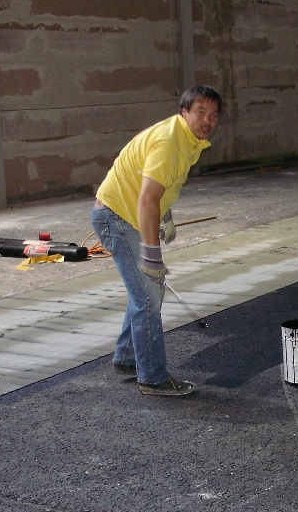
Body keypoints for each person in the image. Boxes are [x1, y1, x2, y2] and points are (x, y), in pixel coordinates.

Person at [91, 86, 222, 396]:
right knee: (148, 296)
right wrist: (152, 255)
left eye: (213, 115)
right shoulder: (170, 143)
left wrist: (166, 216)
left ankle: (127, 357)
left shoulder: (186, 139)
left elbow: (160, 184)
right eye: (200, 112)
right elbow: (148, 200)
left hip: (124, 212)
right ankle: (152, 378)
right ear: (184, 112)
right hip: (118, 217)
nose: (207, 120)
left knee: (145, 290)